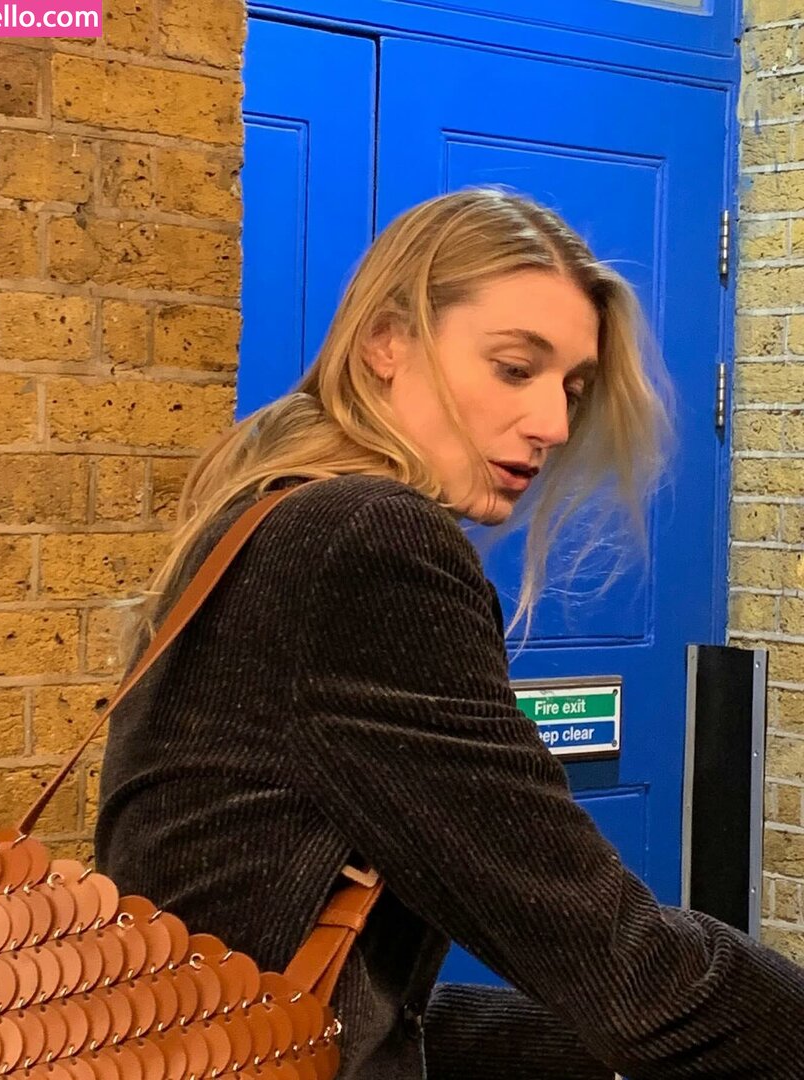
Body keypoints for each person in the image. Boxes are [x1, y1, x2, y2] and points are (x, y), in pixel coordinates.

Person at [95, 188, 804, 1079]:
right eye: (515, 368)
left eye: (572, 389)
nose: (553, 424)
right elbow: (614, 961)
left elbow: (321, 993)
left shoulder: (262, 517)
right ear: (386, 341)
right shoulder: (365, 539)